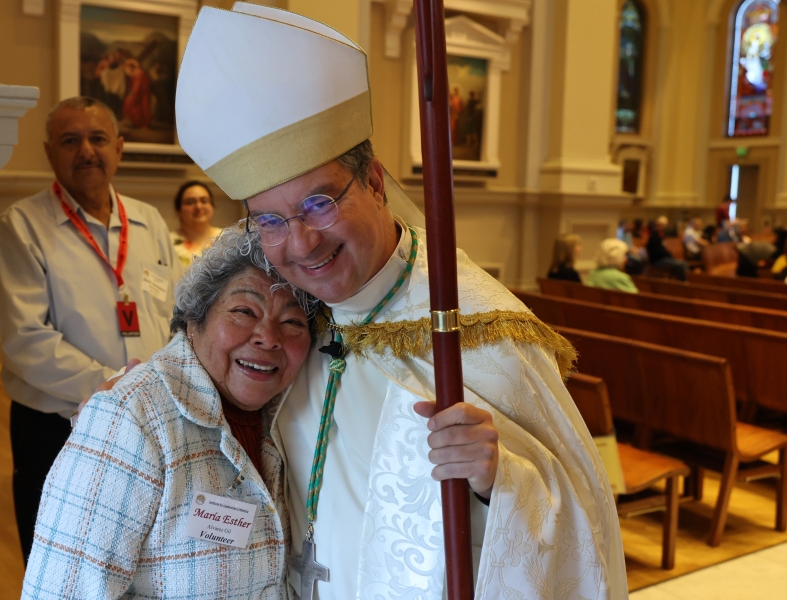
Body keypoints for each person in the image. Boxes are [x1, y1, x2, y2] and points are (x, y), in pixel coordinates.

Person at [169, 5, 627, 599]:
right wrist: (151, 388)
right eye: (272, 220)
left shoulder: (480, 330)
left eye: (319, 203)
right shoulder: (290, 319)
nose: (302, 242)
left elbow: (580, 531)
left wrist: (499, 478)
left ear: (376, 184)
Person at [22, 228, 315, 598]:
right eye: (243, 311)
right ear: (194, 319)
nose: (269, 336)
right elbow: (60, 591)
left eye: (293, 322)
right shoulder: (131, 419)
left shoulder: (290, 417)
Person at [0, 96, 181, 563]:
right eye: (69, 141)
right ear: (49, 152)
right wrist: (111, 387)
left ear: (119, 147)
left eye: (97, 139)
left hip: (149, 413)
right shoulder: (22, 226)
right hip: (59, 425)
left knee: (141, 546)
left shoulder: (149, 220)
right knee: (60, 556)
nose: (86, 151)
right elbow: (26, 339)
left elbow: (179, 311)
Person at [170, 179, 223, 267]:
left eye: (204, 201)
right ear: (178, 210)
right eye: (190, 202)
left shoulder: (228, 239)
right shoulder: (168, 242)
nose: (198, 206)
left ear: (212, 206)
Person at [646, 216, 688, 280]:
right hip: (657, 260)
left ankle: (683, 279)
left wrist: (669, 254)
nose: (663, 227)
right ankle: (684, 282)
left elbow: (663, 248)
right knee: (680, 264)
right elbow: (659, 251)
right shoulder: (654, 237)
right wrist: (669, 255)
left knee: (683, 263)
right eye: (661, 225)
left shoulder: (659, 235)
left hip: (663, 258)